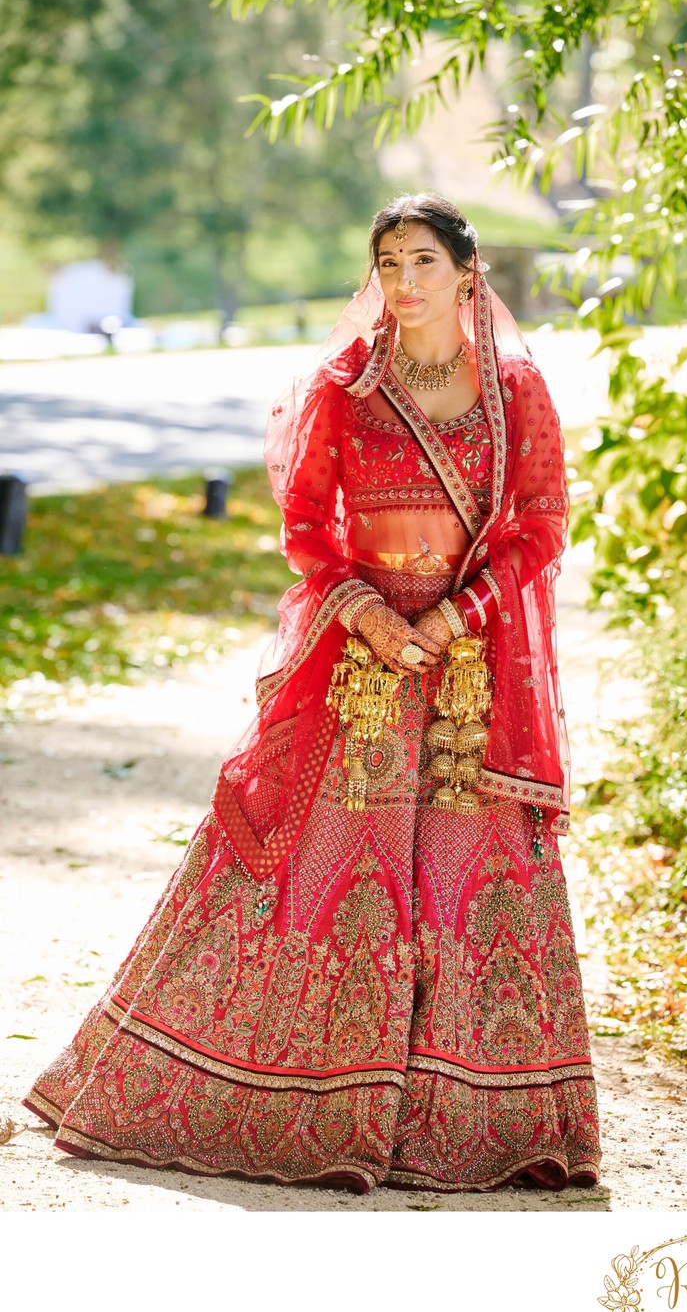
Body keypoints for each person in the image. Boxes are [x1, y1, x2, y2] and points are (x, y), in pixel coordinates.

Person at [24, 193, 602, 1194]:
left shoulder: (513, 391)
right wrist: (375, 619)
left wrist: (453, 617)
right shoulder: (344, 385)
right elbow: (306, 528)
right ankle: (291, 1105)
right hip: (361, 670)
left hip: (467, 678)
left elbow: (542, 522)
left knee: (469, 883)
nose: (404, 282)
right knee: (322, 870)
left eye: (422, 261)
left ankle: (466, 1128)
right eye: (387, 264)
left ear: (467, 273)